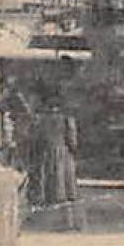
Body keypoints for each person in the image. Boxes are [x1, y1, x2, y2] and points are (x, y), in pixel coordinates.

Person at [29, 89, 81, 229]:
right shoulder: (66, 119)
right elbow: (72, 141)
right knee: (65, 186)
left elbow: (36, 139)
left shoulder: (41, 120)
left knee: (49, 185)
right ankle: (66, 221)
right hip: (62, 154)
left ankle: (47, 220)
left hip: (46, 155)